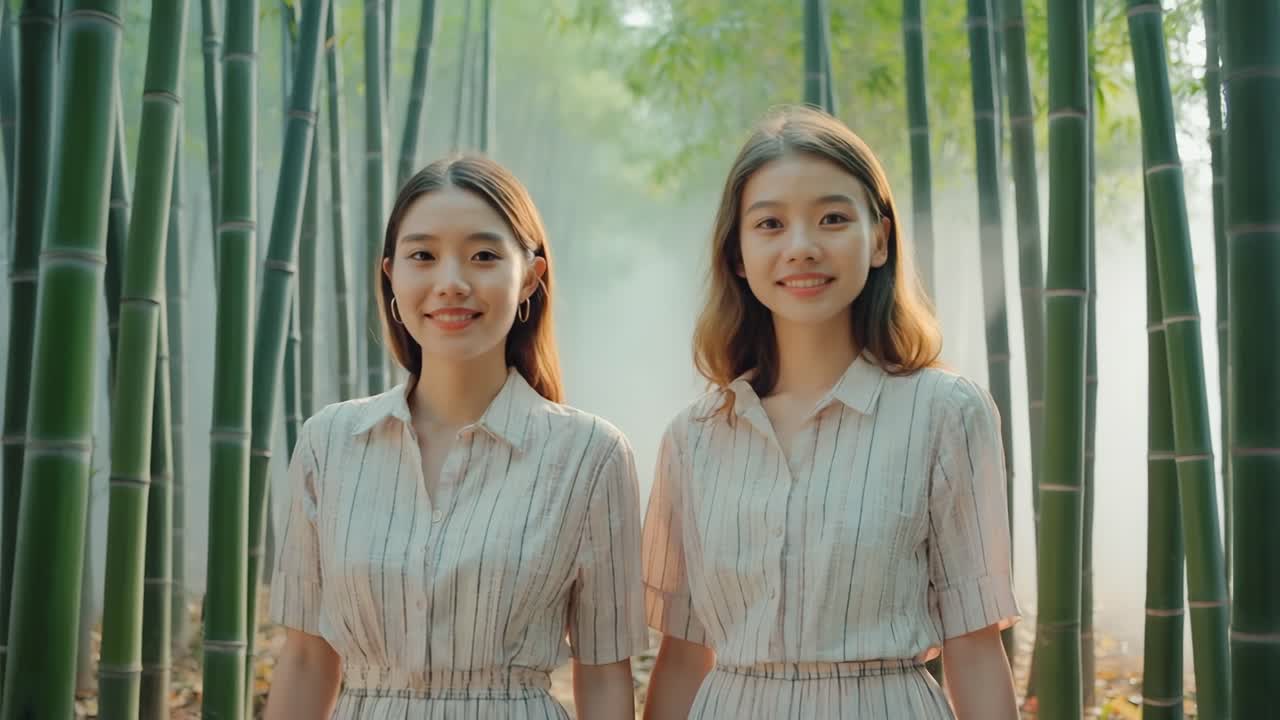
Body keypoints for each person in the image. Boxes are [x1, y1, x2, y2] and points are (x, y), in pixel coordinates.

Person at [640, 105, 1020, 719]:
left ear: (879, 240)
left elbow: (975, 647)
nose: (802, 247)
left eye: (833, 218)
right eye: (770, 224)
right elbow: (683, 656)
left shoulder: (945, 412)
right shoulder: (694, 438)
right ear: (736, 253)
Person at [264, 155, 647, 719]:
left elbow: (605, 674)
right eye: (423, 255)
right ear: (391, 274)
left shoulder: (590, 456)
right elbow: (304, 661)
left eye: (484, 256)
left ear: (530, 278)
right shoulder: (330, 443)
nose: (452, 283)